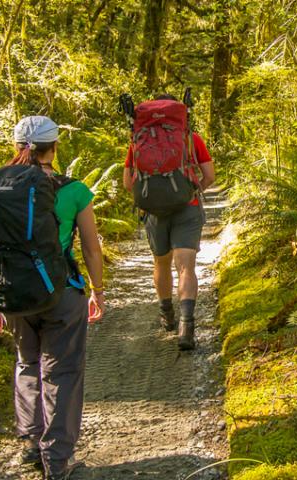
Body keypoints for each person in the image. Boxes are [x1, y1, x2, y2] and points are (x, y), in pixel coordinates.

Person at [0, 115, 107, 479]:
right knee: (63, 372)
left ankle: (30, 444)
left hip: (12, 294)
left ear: (17, 147)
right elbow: (91, 248)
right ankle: (57, 461)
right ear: (54, 148)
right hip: (60, 294)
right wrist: (97, 291)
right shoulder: (73, 190)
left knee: (27, 362)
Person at [122, 94, 215, 350]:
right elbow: (210, 175)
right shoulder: (190, 138)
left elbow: (128, 183)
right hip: (188, 207)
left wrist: (152, 196)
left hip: (154, 211)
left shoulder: (138, 139)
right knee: (186, 266)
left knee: (161, 263)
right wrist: (194, 191)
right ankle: (187, 325)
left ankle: (167, 315)